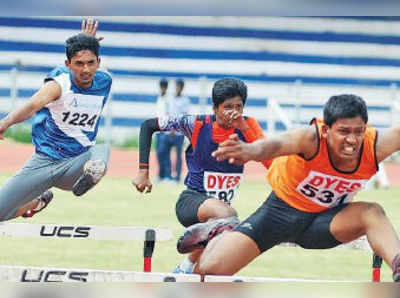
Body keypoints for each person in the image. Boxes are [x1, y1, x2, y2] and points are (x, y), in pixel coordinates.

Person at [177, 94, 400, 282]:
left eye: (358, 131)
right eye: (343, 131)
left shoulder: (375, 145)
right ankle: (221, 231)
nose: (352, 140)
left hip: (326, 222)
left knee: (372, 212)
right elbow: (275, 144)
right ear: (326, 129)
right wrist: (250, 150)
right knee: (210, 271)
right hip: (280, 213)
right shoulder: (310, 138)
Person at [132, 77, 271, 274]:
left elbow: (270, 161)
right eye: (227, 107)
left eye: (239, 107)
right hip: (192, 202)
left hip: (219, 220)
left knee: (211, 268)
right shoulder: (196, 124)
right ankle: (189, 259)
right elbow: (148, 126)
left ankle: (185, 272)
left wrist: (245, 130)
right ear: (215, 109)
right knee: (229, 218)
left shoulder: (248, 126)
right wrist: (143, 171)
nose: (234, 112)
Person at [0, 23, 112, 221]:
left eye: (90, 62)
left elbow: (86, 57)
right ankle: (37, 202)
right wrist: (5, 123)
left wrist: (85, 41)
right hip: (45, 161)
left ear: (98, 62)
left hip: (78, 164)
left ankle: (93, 172)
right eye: (78, 64)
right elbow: (31, 106)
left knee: (102, 152)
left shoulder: (105, 81)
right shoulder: (58, 85)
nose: (85, 69)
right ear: (68, 64)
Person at [167, 78, 190, 183]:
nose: (177, 88)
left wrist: (176, 127)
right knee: (166, 153)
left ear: (182, 88)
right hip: (169, 130)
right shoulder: (170, 98)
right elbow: (169, 114)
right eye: (176, 86)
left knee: (178, 154)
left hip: (179, 131)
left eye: (179, 86)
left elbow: (183, 116)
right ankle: (167, 175)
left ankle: (177, 177)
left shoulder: (185, 100)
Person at [154, 78, 171, 182]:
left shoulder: (168, 99)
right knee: (159, 153)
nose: (162, 88)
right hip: (158, 128)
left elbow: (169, 113)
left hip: (165, 129)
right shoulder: (159, 97)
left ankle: (167, 175)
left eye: (163, 87)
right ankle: (161, 175)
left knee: (165, 153)